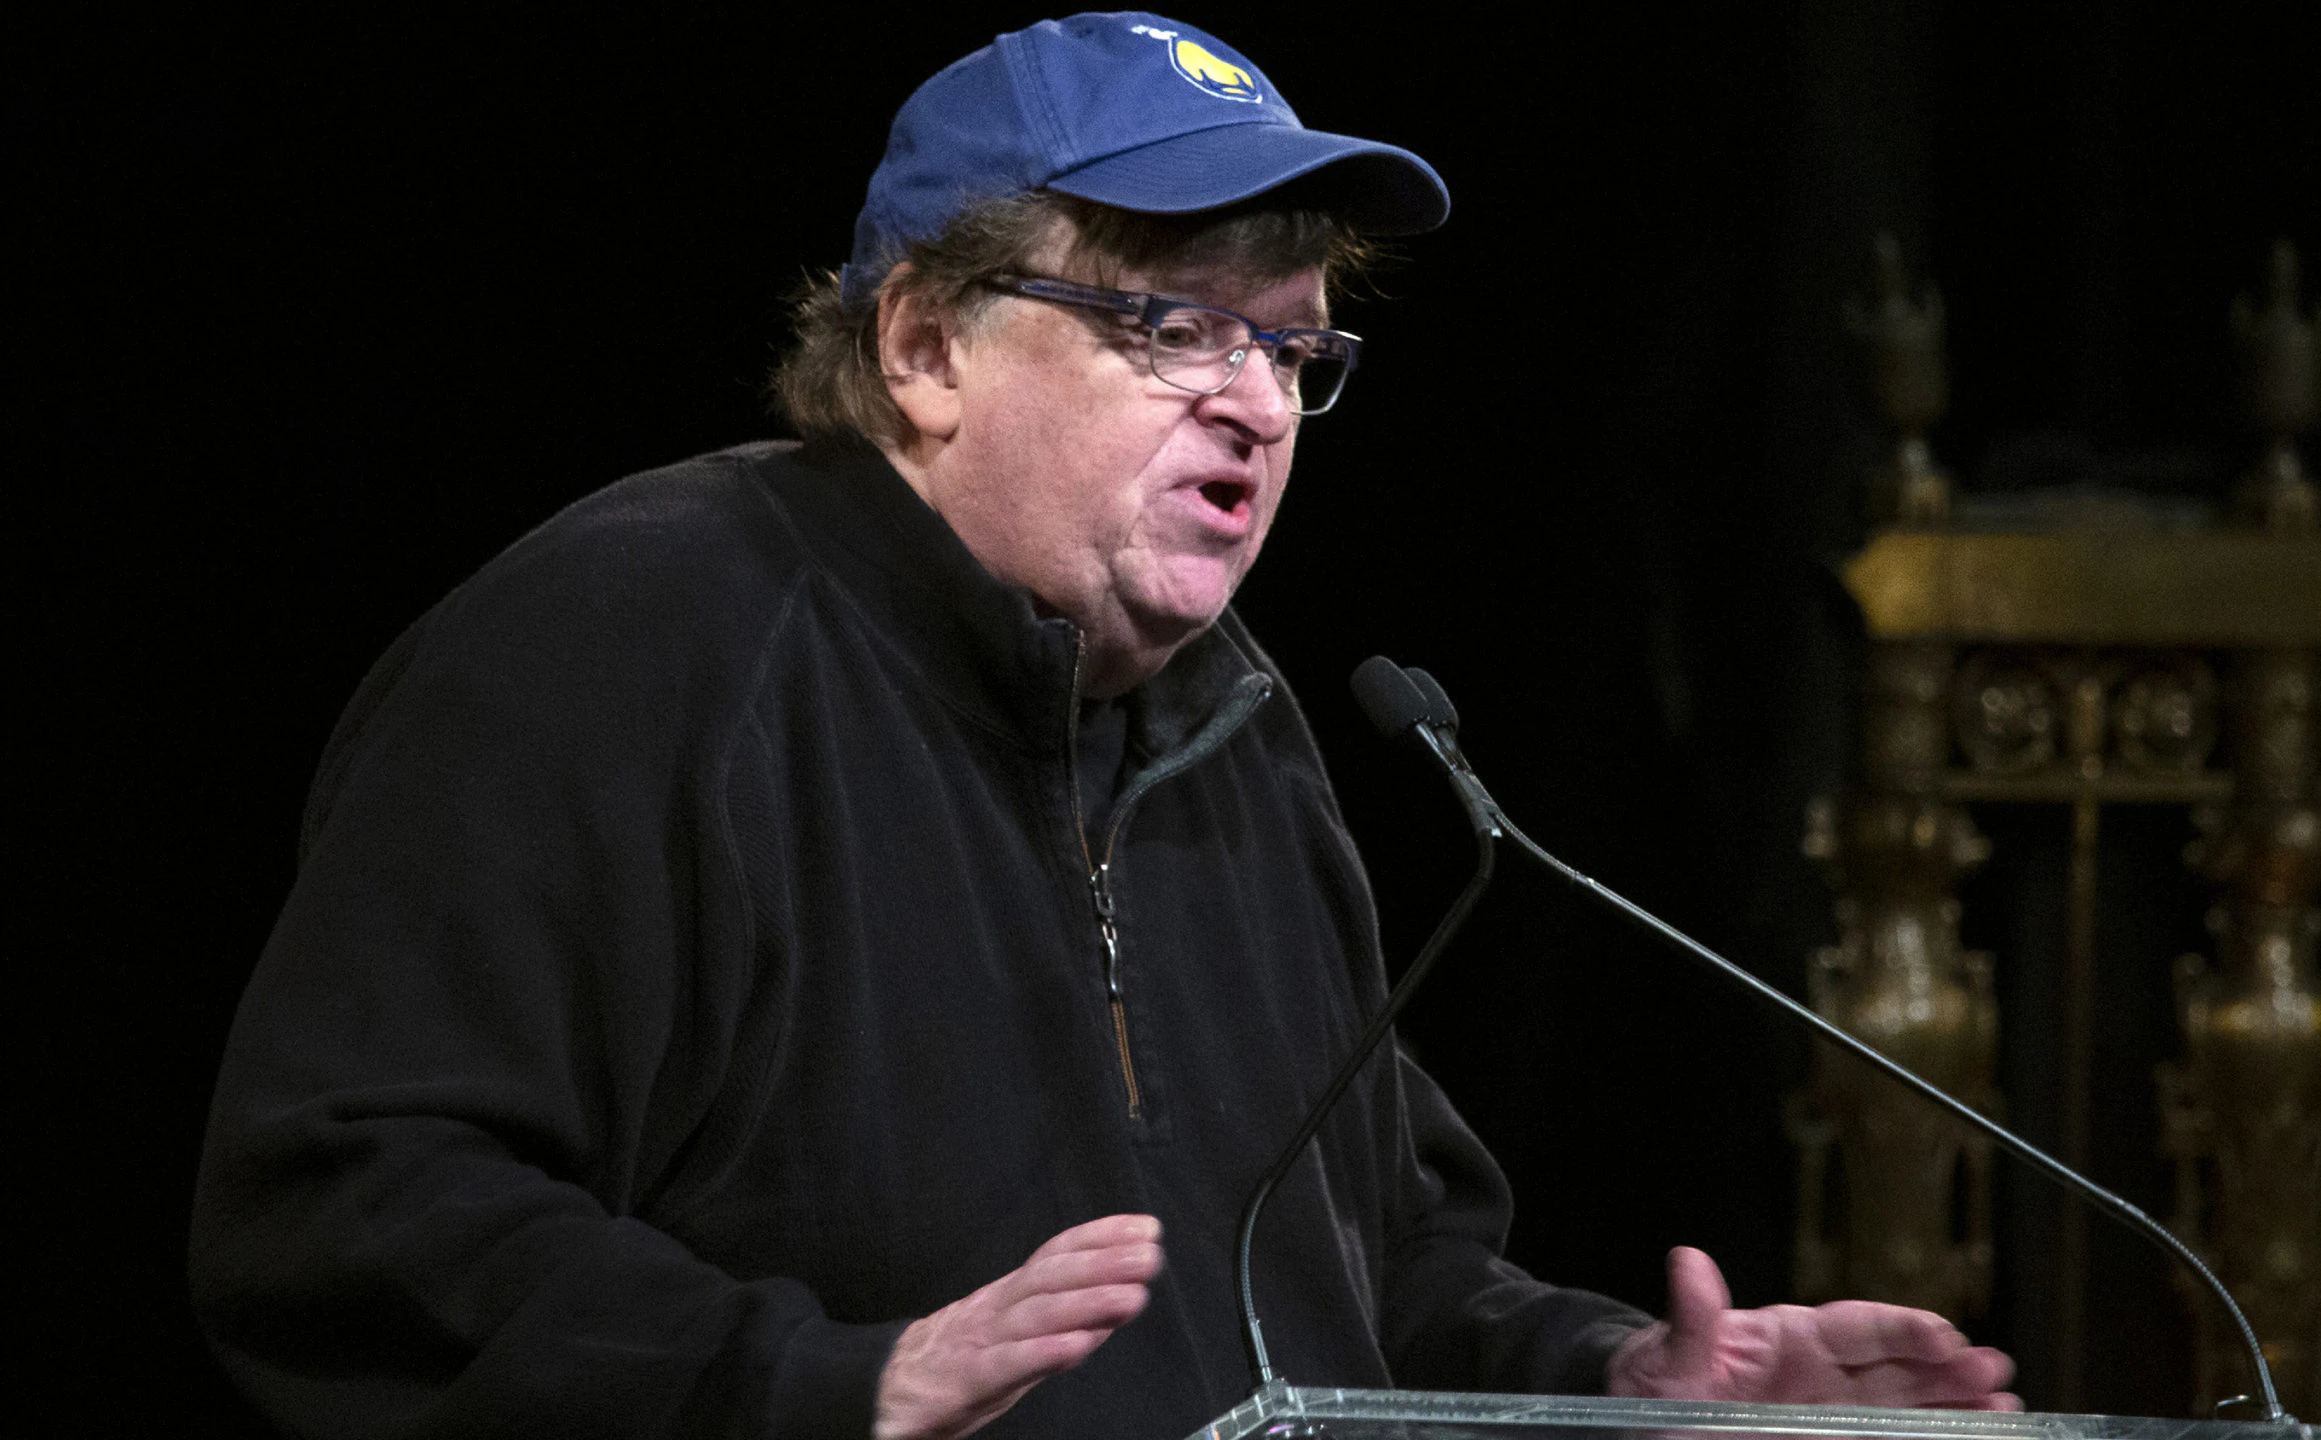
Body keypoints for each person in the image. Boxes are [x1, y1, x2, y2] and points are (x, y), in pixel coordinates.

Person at [192, 14, 2019, 1439]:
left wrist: (1617, 1380)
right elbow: (349, 1207)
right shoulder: (631, 646)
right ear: (921, 347)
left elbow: (1378, 1275)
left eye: (1294, 351)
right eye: (1173, 324)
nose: (1257, 408)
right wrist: (825, 1389)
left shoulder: (1239, 736)